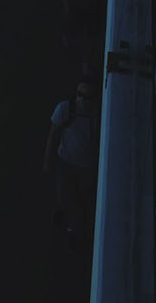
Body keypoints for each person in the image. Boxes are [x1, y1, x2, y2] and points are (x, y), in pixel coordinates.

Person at [46, 76, 100, 248]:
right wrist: (48, 159)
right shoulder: (66, 109)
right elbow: (53, 135)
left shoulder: (98, 115)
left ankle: (68, 221)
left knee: (78, 199)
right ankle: (72, 228)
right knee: (72, 198)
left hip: (86, 167)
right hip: (66, 162)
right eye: (79, 94)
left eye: (87, 96)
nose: (82, 100)